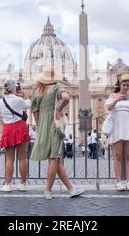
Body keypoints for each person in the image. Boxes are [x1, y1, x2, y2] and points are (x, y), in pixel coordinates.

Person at [30, 66, 84, 199]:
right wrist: (58, 109)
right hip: (55, 125)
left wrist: (40, 127)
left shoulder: (36, 91)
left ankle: (71, 189)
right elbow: (66, 98)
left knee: (58, 159)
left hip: (43, 125)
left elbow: (35, 113)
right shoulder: (56, 87)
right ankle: (48, 190)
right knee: (54, 158)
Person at [105, 75, 129, 191]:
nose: (126, 87)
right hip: (117, 127)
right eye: (124, 84)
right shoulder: (113, 96)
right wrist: (117, 99)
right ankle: (119, 182)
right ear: (120, 85)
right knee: (117, 156)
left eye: (128, 85)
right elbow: (108, 108)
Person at [0, 79, 31, 192]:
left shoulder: (1, 101)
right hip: (20, 127)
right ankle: (23, 184)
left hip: (8, 129)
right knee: (22, 158)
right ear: (14, 88)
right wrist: (25, 95)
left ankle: (8, 184)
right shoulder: (19, 100)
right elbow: (29, 105)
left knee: (9, 159)